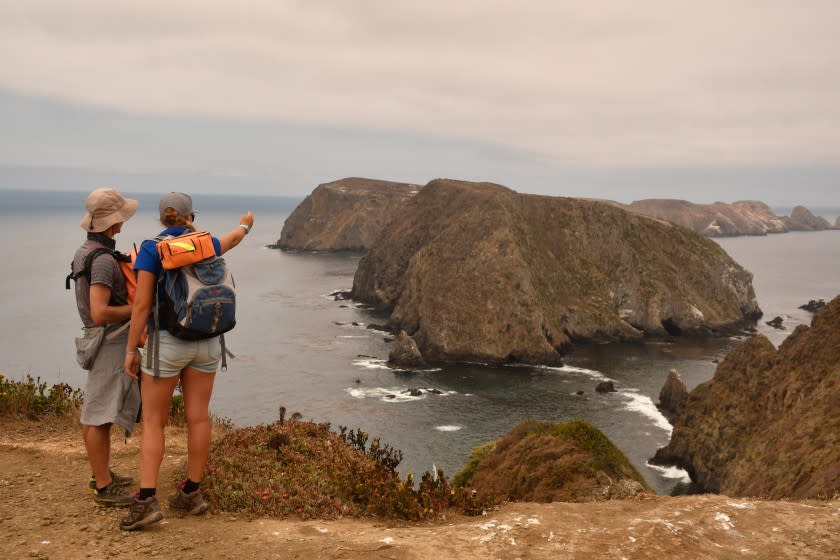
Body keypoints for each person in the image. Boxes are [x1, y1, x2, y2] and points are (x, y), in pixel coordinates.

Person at [120, 192, 254, 531]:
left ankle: (147, 500)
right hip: (208, 341)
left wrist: (131, 350)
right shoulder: (206, 241)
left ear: (162, 218)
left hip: (167, 342)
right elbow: (235, 238)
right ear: (190, 215)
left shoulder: (153, 249)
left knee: (153, 422)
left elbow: (141, 305)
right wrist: (245, 224)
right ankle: (192, 492)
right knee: (198, 418)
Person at [71, 187, 141, 507]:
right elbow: (100, 312)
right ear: (113, 223)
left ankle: (103, 475)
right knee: (97, 416)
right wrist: (139, 308)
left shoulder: (85, 250)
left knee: (98, 412)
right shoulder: (102, 261)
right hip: (110, 340)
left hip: (99, 339)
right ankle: (102, 486)